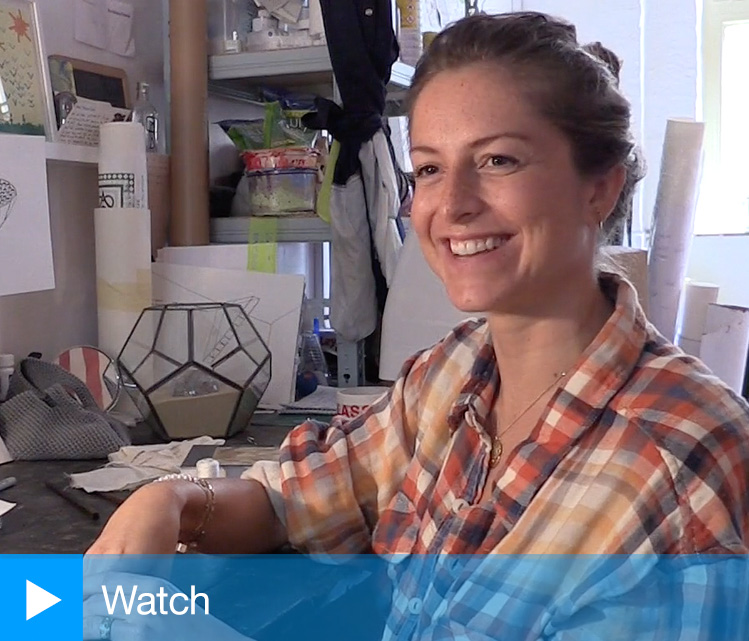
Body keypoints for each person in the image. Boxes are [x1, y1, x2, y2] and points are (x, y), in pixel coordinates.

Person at [86, 11, 749, 640]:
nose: (452, 204)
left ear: (597, 187)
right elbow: (300, 495)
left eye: (498, 160)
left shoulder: (681, 467)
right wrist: (173, 499)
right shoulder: (451, 373)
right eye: (430, 167)